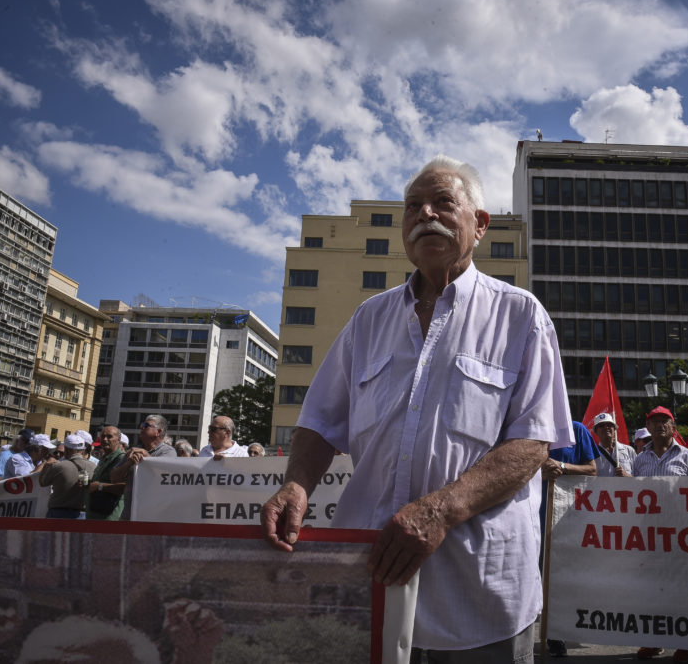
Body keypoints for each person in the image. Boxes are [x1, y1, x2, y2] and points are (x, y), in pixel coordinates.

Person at [260, 154, 572, 660]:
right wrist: (296, 484)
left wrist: (440, 510)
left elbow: (533, 442)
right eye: (412, 207)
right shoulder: (368, 319)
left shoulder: (520, 315)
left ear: (480, 224)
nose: (424, 214)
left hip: (478, 593)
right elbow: (318, 423)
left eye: (443, 203)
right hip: (368, 582)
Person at [631, 406, 688, 662]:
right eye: (654, 421)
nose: (659, 424)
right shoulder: (639, 460)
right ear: (647, 428)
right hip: (649, 534)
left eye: (665, 421)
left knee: (682, 588)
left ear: (674, 427)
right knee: (652, 588)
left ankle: (686, 642)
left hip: (682, 534)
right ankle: (654, 639)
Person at [541, 421, 598, 658]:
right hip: (531, 515)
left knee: (559, 577)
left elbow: (591, 469)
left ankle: (557, 633)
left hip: (565, 515)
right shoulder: (529, 427)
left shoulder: (576, 429)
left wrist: (562, 466)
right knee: (537, 577)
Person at [111, 415, 178, 521]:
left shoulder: (168, 452)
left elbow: (167, 476)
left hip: (154, 516)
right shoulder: (133, 451)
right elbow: (114, 478)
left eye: (146, 425)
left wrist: (146, 457)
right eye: (141, 425)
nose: (141, 428)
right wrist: (129, 462)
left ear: (158, 432)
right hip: (129, 514)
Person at [39, 433, 96, 519]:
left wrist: (45, 467)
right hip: (82, 514)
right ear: (83, 449)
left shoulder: (59, 466)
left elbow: (42, 482)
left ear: (66, 449)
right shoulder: (94, 467)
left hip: (58, 513)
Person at [86, 425, 128, 520]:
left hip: (109, 516)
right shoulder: (104, 458)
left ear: (118, 439)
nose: (105, 439)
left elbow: (124, 487)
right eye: (103, 436)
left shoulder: (121, 459)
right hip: (95, 514)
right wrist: (89, 484)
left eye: (109, 436)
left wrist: (99, 486)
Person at [592, 412, 636, 477]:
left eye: (609, 425)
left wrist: (627, 476)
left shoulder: (629, 450)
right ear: (596, 432)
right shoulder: (592, 454)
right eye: (601, 426)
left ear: (614, 428)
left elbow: (639, 477)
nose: (606, 427)